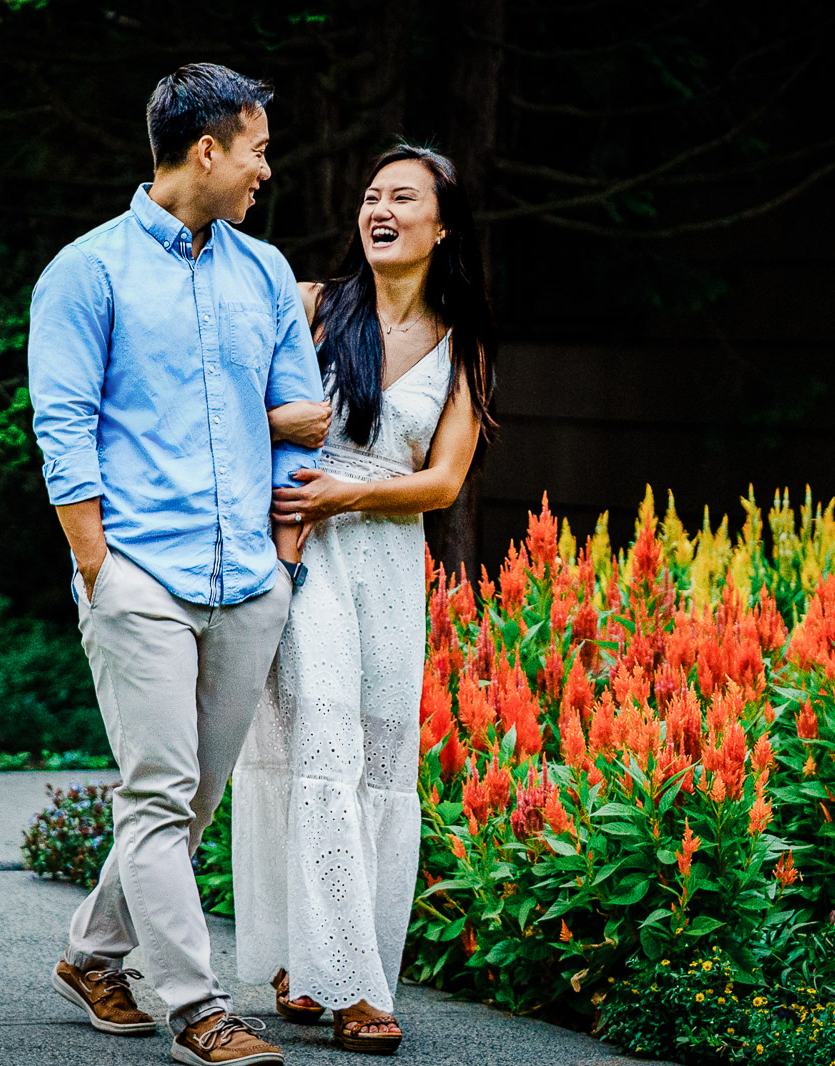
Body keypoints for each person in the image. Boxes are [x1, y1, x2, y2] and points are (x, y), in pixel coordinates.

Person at [27, 63, 323, 1066]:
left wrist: (282, 559)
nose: (264, 169)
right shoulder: (87, 273)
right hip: (138, 574)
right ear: (208, 150)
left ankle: (94, 952)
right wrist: (98, 571)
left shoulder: (267, 274)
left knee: (191, 796)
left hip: (247, 576)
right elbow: (62, 433)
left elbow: (297, 420)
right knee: (158, 792)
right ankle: (196, 1006)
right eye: (257, 148)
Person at [232, 145, 498, 1055]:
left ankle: (319, 960)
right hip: (299, 554)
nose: (379, 208)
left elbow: (442, 484)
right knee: (320, 750)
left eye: (403, 198)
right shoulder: (308, 306)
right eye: (371, 194)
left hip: (385, 564)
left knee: (377, 764)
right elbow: (224, 405)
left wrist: (347, 494)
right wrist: (286, 448)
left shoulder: (464, 344)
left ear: (442, 227)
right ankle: (347, 986)